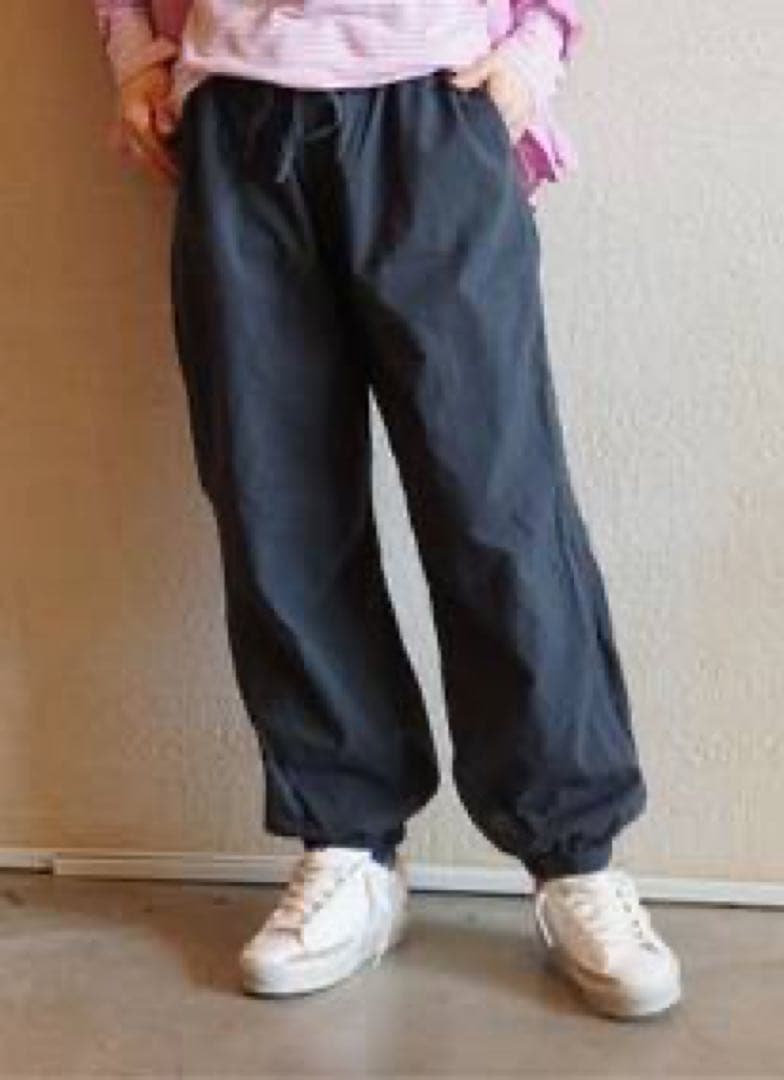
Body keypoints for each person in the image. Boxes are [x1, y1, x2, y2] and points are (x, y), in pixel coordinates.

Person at [91, 0, 683, 1020]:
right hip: (237, 116)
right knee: (276, 503)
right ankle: (348, 843)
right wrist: (132, 53)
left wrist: (534, 49)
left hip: (433, 108)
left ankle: (573, 854)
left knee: (495, 498)